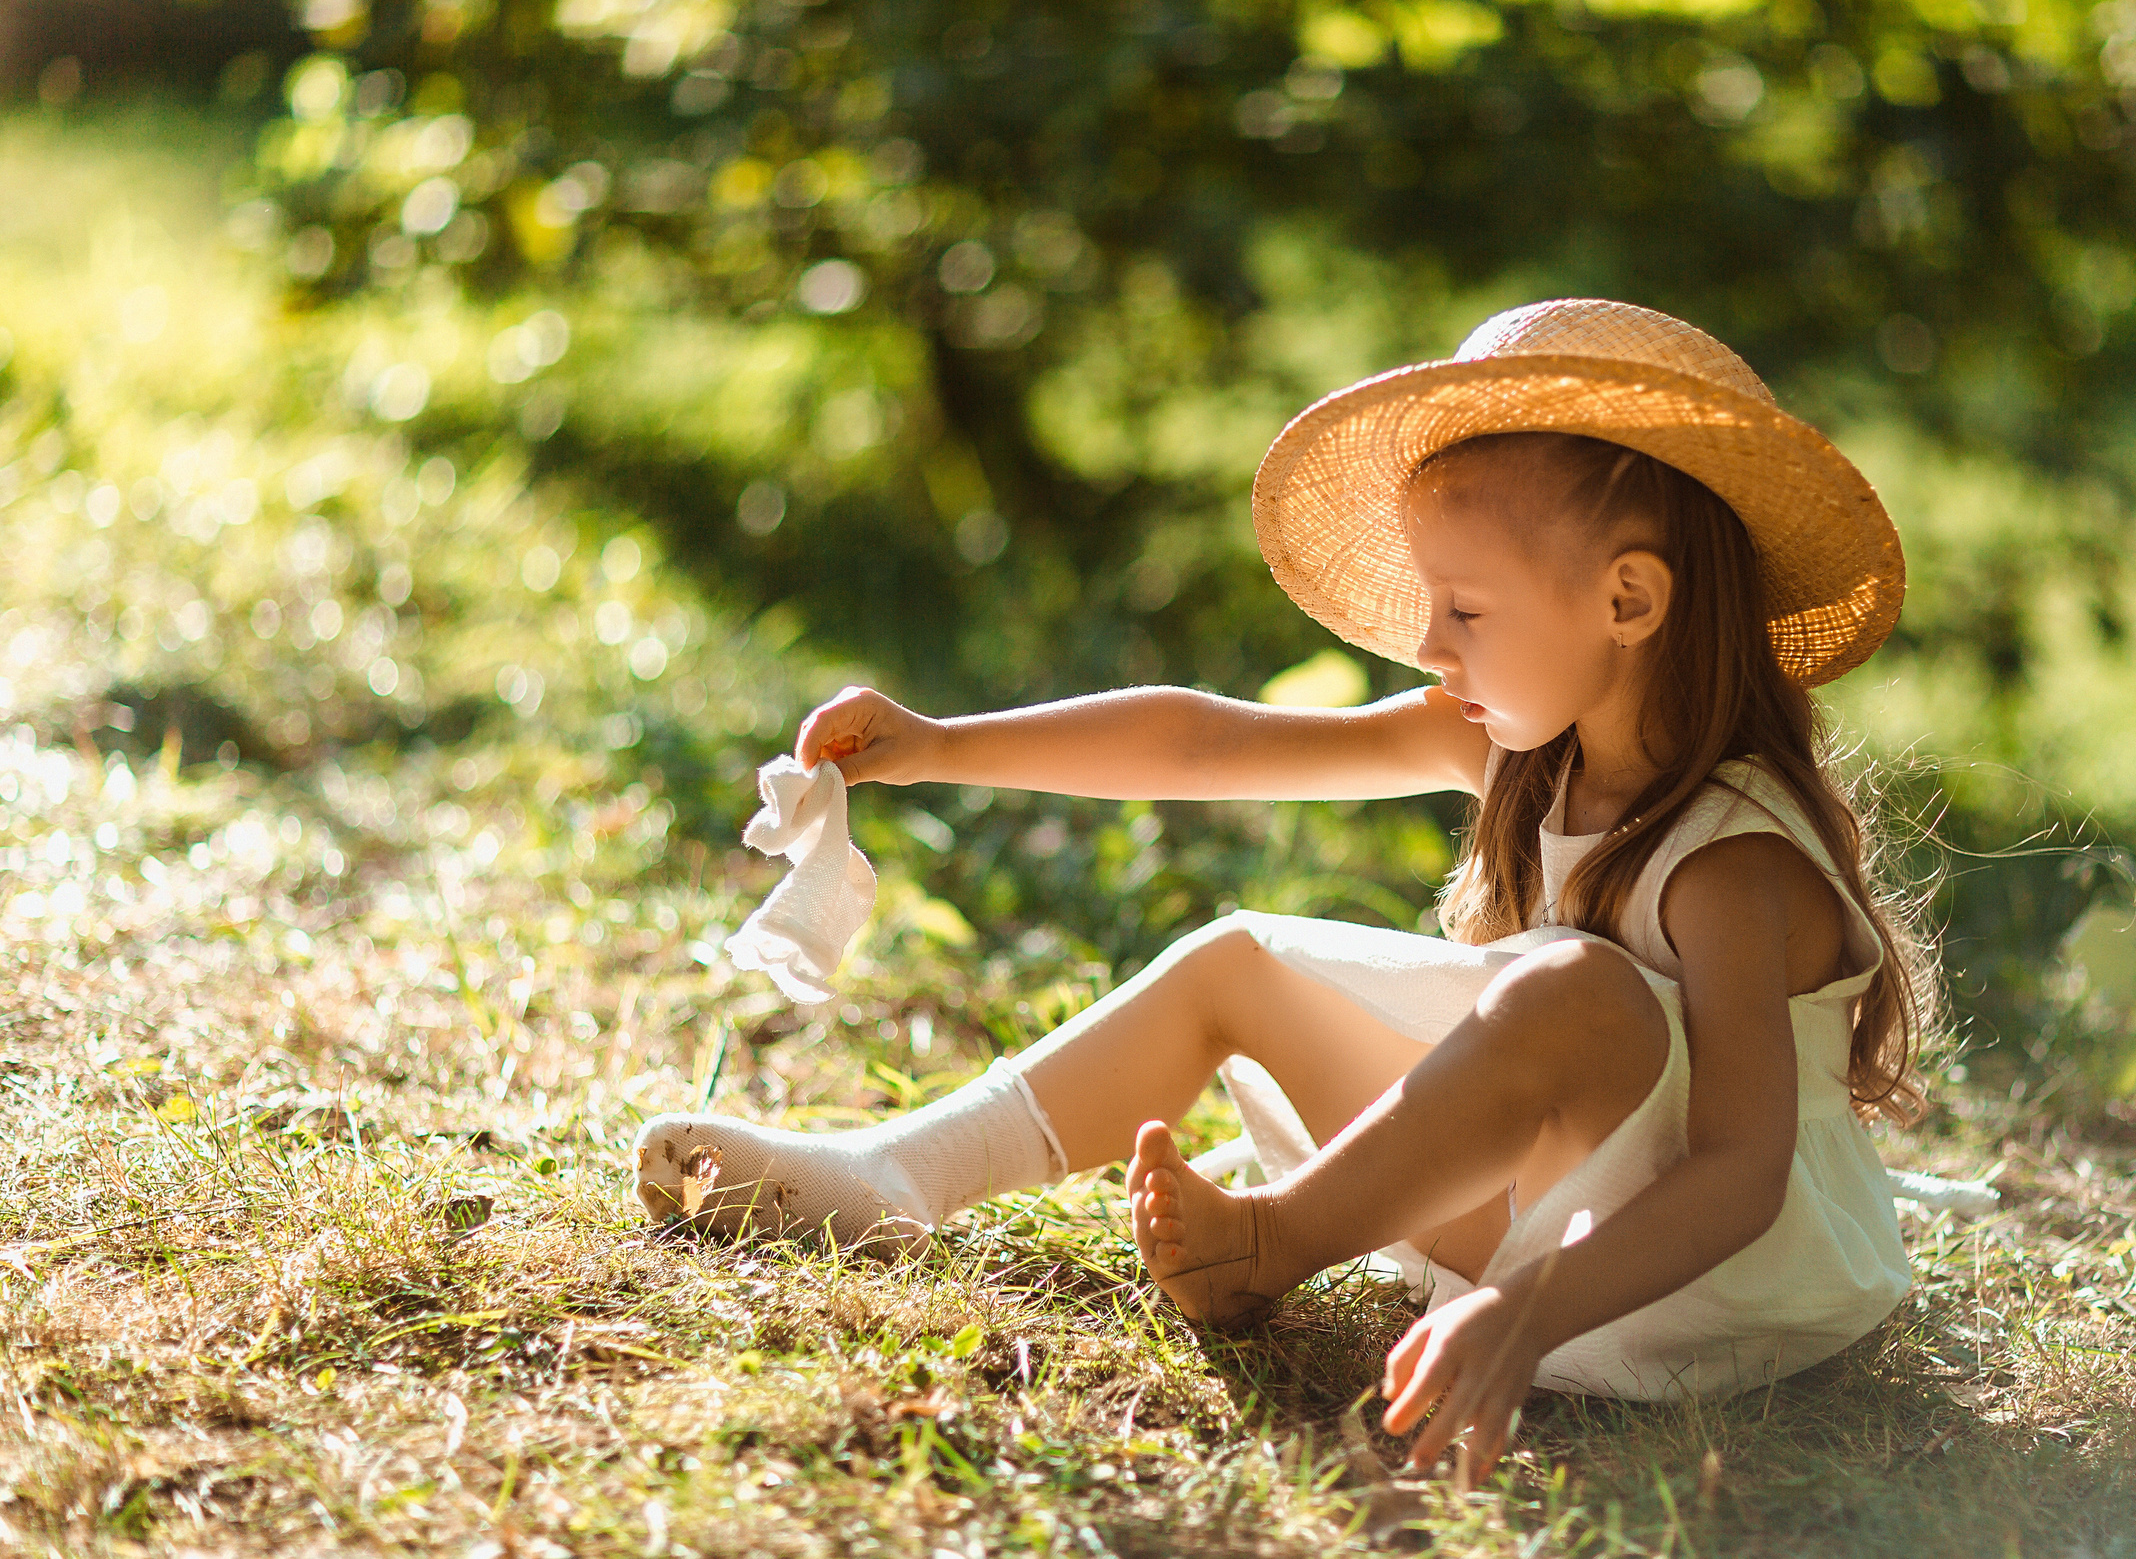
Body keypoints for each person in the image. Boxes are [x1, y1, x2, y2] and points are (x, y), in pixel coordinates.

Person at [632, 298, 1933, 1486]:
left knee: (1577, 987)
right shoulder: (1516, 754)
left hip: (1701, 1288)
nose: (1427, 647)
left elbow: (1740, 1174)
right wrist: (939, 744)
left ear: (1629, 598)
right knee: (1239, 955)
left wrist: (1521, 1309)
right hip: (1541, 1226)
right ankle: (897, 1176)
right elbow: (1211, 742)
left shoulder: (1733, 861)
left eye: (1464, 609)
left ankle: (1267, 1242)